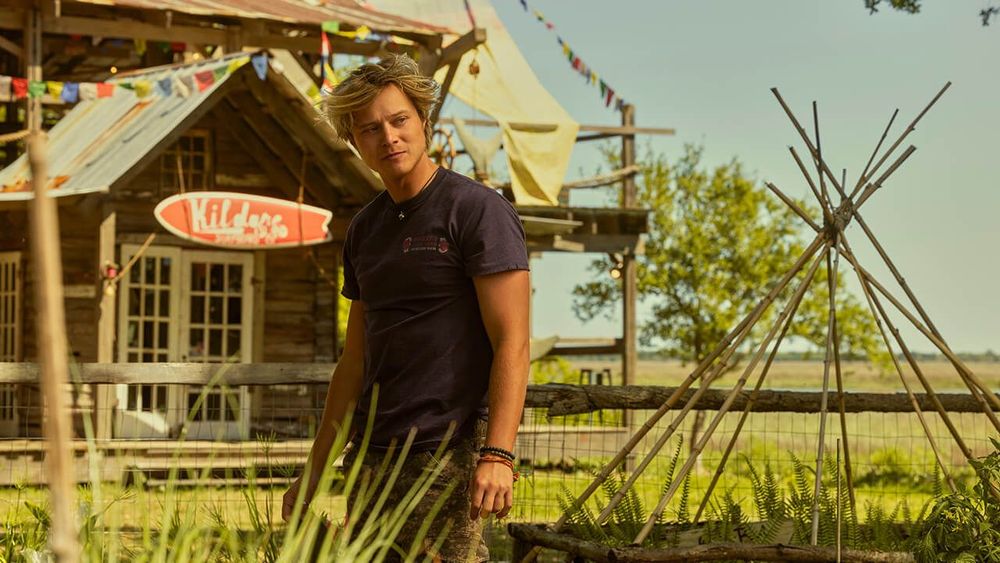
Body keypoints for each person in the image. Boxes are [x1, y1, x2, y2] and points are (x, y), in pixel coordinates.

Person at [281, 54, 531, 562]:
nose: (389, 137)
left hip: (450, 449)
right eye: (370, 128)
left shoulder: (478, 211)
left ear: (424, 122)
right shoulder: (365, 230)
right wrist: (314, 471)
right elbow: (354, 362)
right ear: (354, 141)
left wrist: (499, 454)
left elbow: (514, 341)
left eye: (399, 121)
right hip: (374, 453)